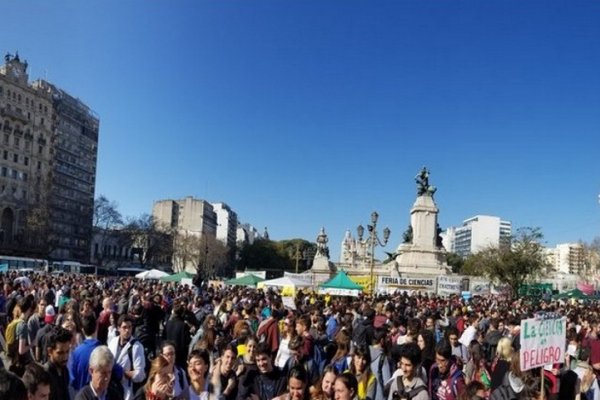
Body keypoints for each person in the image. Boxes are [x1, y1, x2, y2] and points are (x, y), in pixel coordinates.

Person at [109, 314, 146, 400]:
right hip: (112, 388)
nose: (127, 330)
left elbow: (140, 375)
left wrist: (123, 373)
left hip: (128, 392)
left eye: (129, 327)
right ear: (119, 328)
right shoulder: (113, 342)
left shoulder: (137, 346)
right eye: (124, 327)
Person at [70, 314, 102, 391]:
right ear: (96, 327)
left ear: (82, 330)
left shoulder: (76, 352)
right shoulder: (104, 351)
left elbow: (73, 378)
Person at [44, 326, 74, 400]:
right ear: (50, 351)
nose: (65, 357)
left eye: (67, 351)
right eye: (60, 353)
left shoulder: (64, 370)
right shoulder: (44, 376)